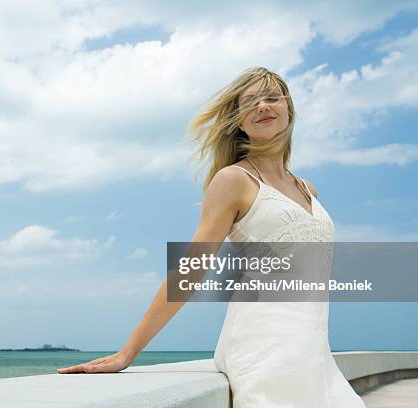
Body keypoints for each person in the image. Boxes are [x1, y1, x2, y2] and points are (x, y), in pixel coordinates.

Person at [57, 66, 366, 407]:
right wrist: (128, 352)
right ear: (239, 120)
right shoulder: (233, 180)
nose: (263, 106)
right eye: (250, 102)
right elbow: (191, 269)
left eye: (272, 98)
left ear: (289, 108)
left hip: (313, 351)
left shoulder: (308, 189)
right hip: (264, 346)